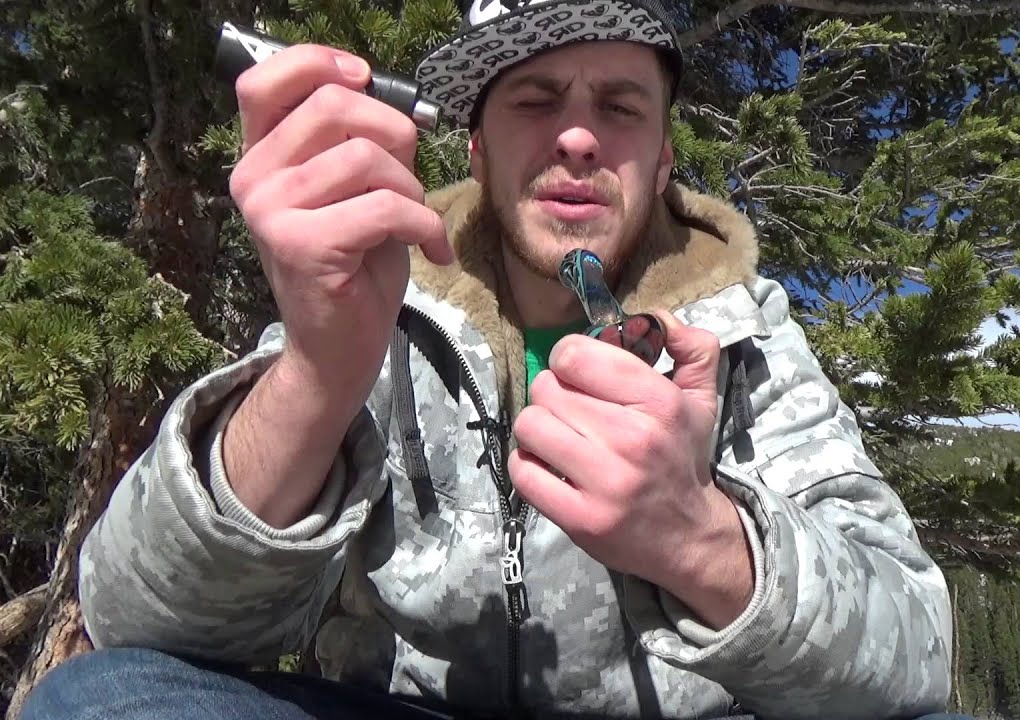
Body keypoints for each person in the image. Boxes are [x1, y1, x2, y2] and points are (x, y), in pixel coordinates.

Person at [19, 0, 969, 718]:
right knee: (98, 702)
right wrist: (318, 369)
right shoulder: (381, 293)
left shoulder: (743, 333)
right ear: (475, 149)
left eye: (620, 105)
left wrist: (699, 538)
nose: (578, 136)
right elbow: (135, 616)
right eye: (535, 99)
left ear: (663, 159)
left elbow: (916, 649)